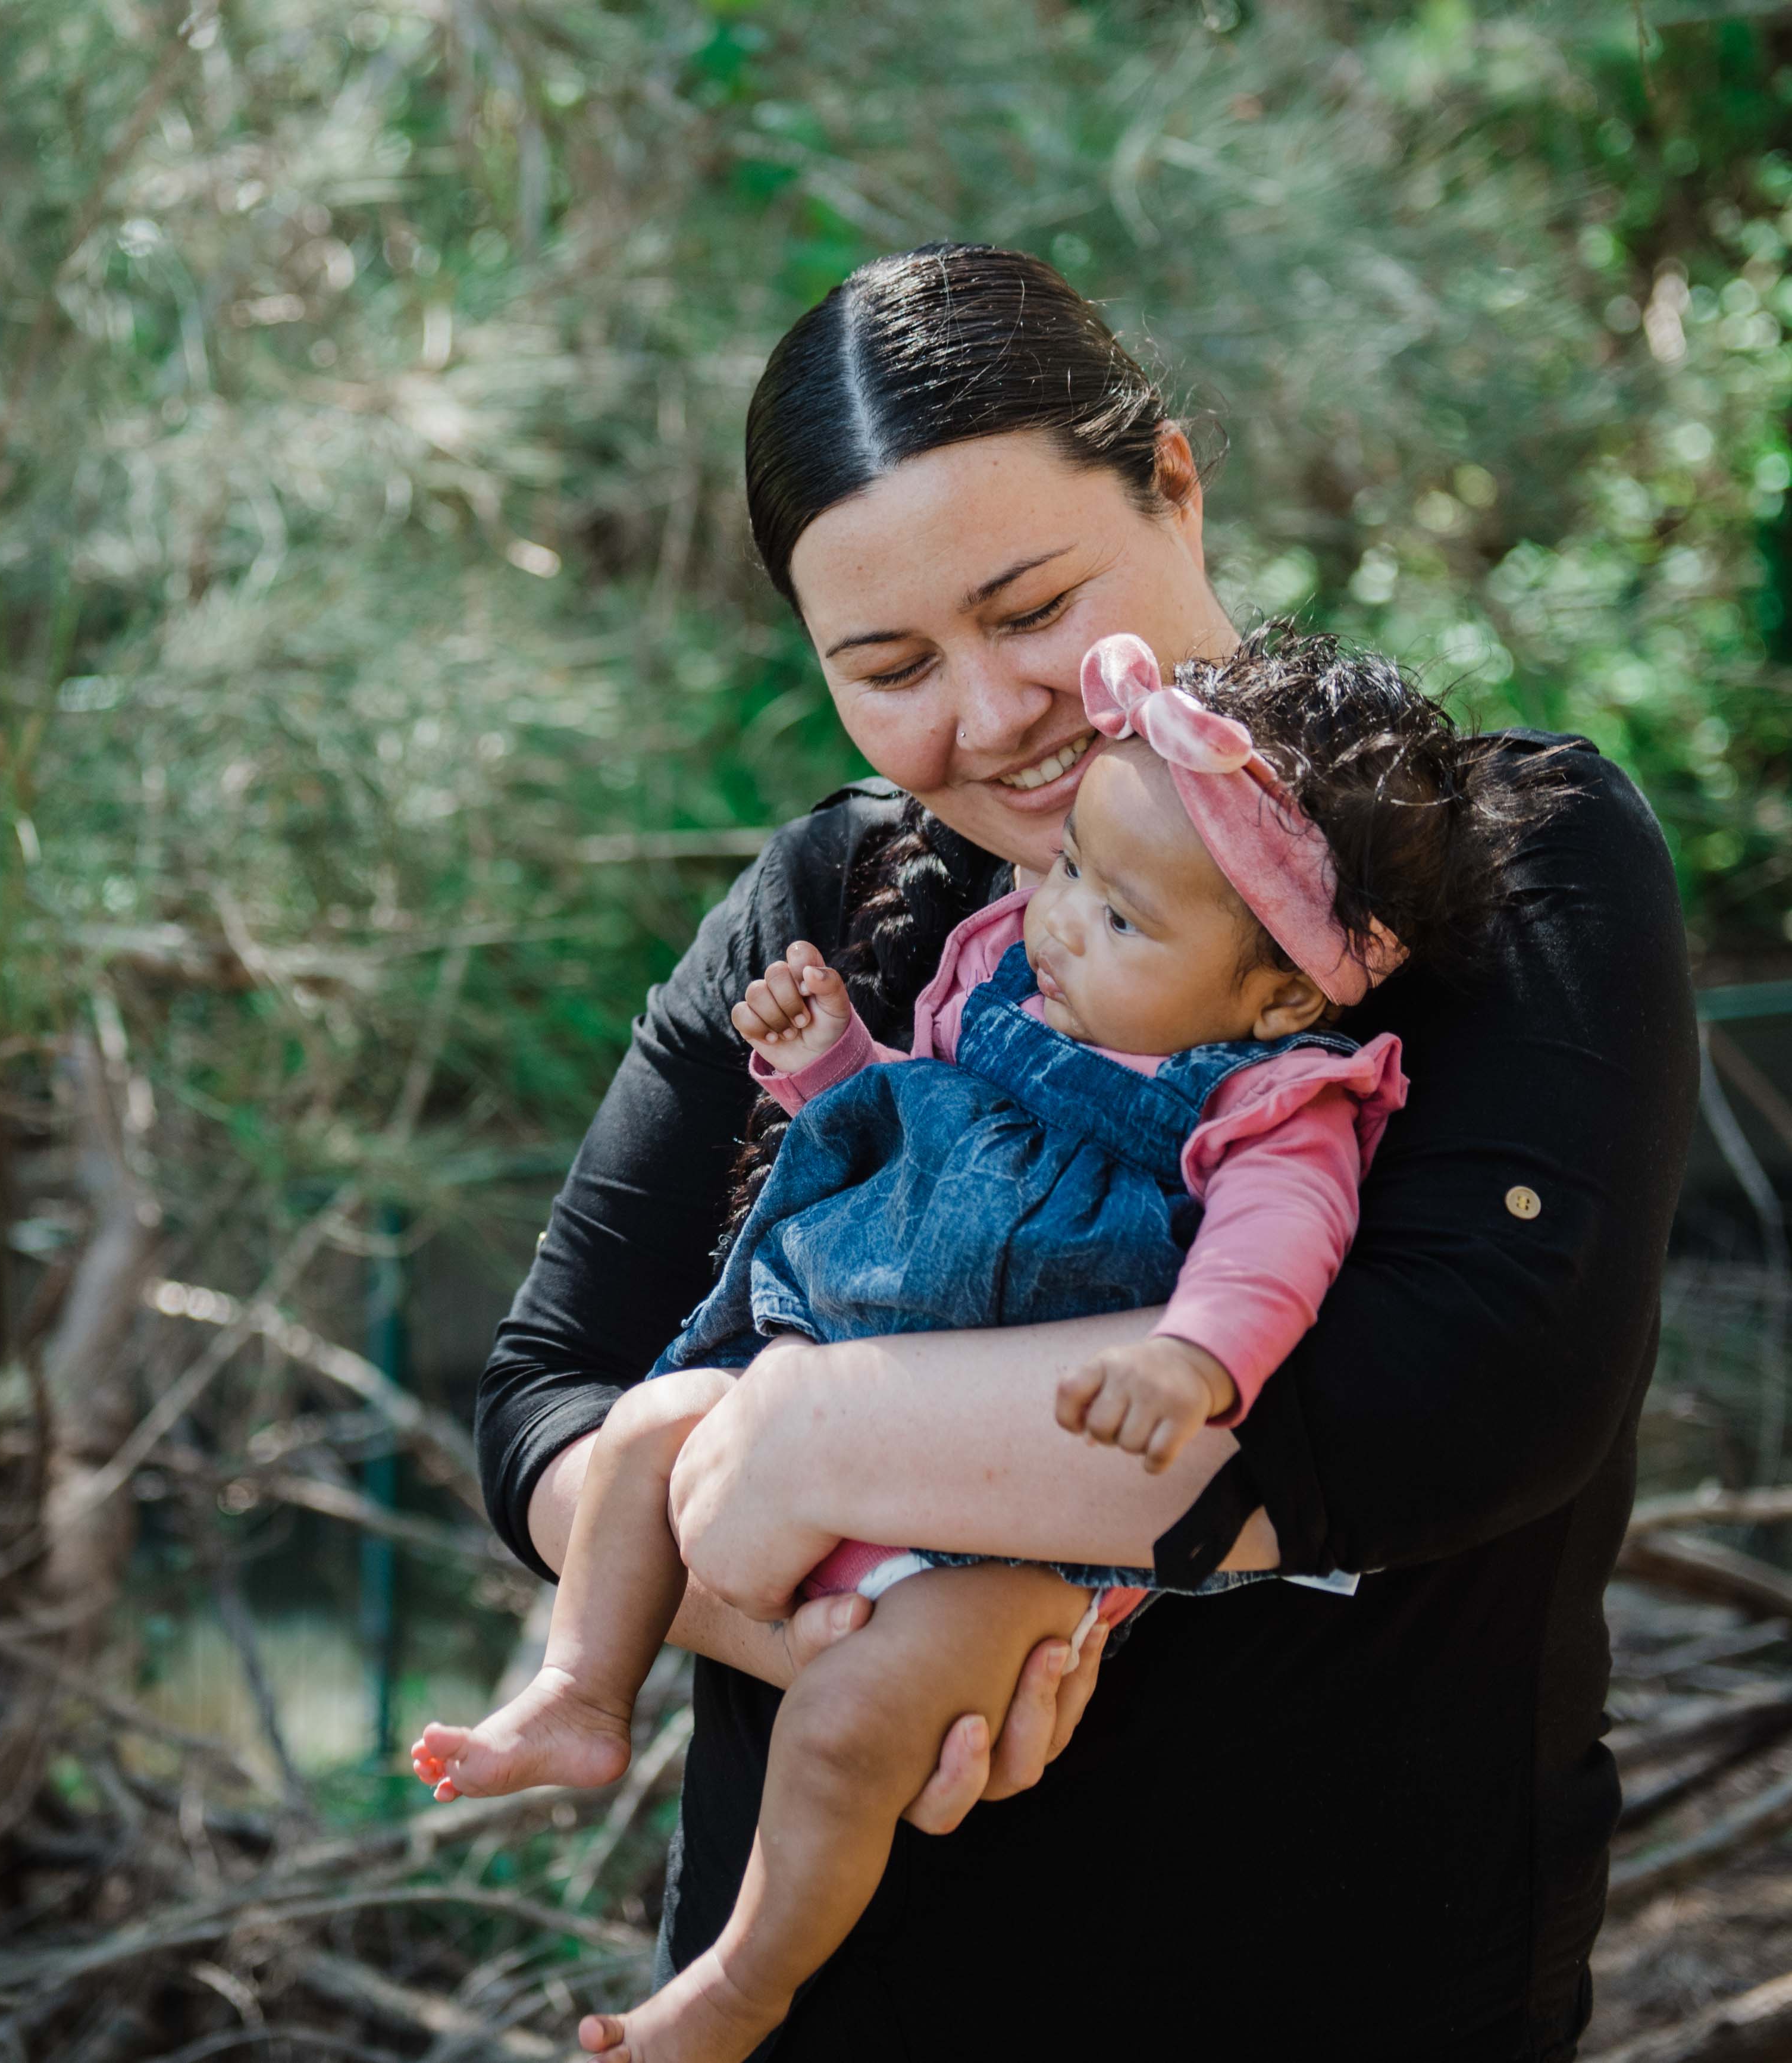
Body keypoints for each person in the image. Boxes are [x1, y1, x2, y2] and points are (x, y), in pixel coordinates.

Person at [474, 243, 1691, 2061]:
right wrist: (826, 1630)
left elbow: (1480, 1379)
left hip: (1345, 1981)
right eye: (889, 666)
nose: (988, 715)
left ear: (1177, 489)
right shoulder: (830, 908)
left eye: (1032, 606)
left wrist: (819, 1434)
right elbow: (549, 1397)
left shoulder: (1492, 862)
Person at [427, 624, 1569, 2058]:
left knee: (851, 1726)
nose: (1063, 919)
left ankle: (732, 1987)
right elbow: (916, 1133)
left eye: (1122, 916)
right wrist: (829, 1061)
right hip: (800, 1390)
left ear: (1281, 990)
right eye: (1073, 874)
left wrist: (1191, 1362)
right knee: (648, 1426)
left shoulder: (1272, 1100)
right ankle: (579, 1694)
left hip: (1007, 1541)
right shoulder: (1003, 986)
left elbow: (1272, 1251)